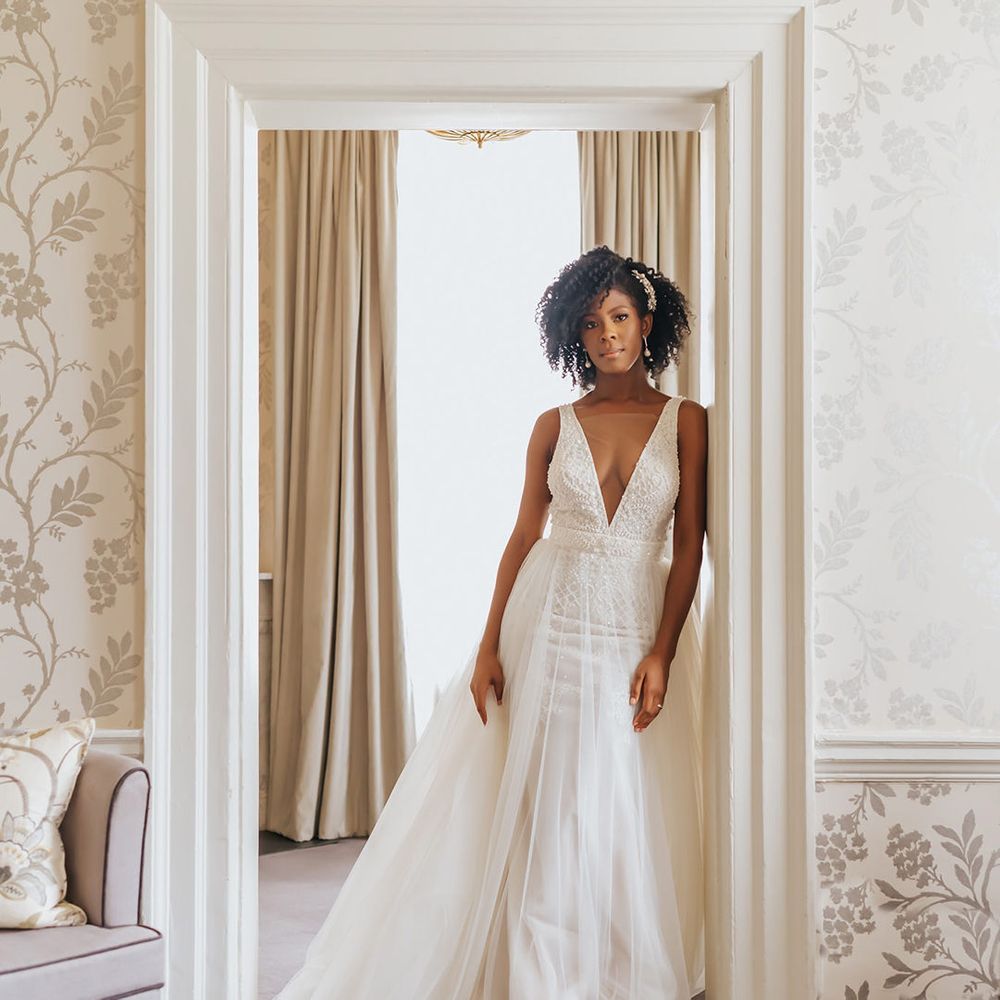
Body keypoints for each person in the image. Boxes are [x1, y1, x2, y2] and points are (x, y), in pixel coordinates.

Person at [275, 245, 709, 1000]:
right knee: (553, 795)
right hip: (550, 618)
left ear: (647, 324)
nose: (606, 334)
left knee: (621, 802)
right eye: (590, 324)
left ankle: (618, 971)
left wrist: (663, 652)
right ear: (575, 338)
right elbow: (522, 538)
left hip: (637, 619)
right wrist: (485, 646)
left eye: (619, 318)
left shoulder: (688, 423)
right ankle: (545, 975)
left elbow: (692, 541)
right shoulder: (553, 424)